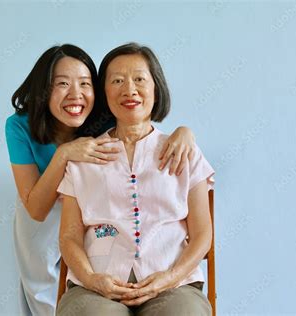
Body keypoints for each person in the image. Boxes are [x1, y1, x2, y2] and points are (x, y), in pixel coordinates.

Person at [5, 44, 197, 316]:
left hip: (90, 206)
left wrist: (185, 131)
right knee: (41, 288)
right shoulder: (20, 126)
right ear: (44, 89)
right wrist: (63, 155)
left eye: (85, 83)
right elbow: (36, 209)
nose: (76, 94)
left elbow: (144, 121)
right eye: (62, 84)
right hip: (39, 199)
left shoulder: (101, 112)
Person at [56, 42, 214, 316]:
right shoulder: (83, 157)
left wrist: (169, 277)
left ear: (156, 87)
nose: (129, 89)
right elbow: (69, 236)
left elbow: (202, 234)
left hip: (173, 286)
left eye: (139, 79)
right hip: (95, 287)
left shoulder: (185, 151)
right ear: (104, 93)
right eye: (117, 80)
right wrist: (92, 280)